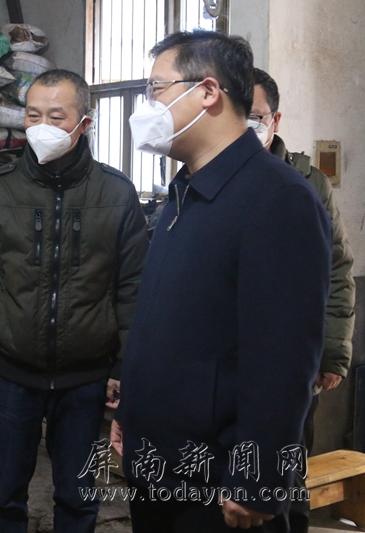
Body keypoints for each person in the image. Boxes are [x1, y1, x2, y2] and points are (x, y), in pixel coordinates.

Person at [113, 31, 332, 532]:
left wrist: (259, 479)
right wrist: (132, 413)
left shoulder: (278, 199)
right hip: (162, 463)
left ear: (208, 92)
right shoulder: (186, 191)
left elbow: (283, 357)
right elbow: (162, 323)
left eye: (156, 89)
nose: (148, 105)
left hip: (220, 481)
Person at [0, 69, 149, 533]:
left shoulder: (116, 192)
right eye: (32, 115)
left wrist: (123, 365)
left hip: (87, 377)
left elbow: (133, 286)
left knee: (78, 497)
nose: (41, 126)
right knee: (4, 494)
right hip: (11, 373)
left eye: (56, 117)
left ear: (85, 122)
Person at [251, 67, 356, 533]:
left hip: (292, 362)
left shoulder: (308, 183)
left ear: (275, 120)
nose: (247, 125)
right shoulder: (205, 174)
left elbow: (337, 269)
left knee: (287, 476)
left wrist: (332, 352)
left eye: (256, 116)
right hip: (227, 362)